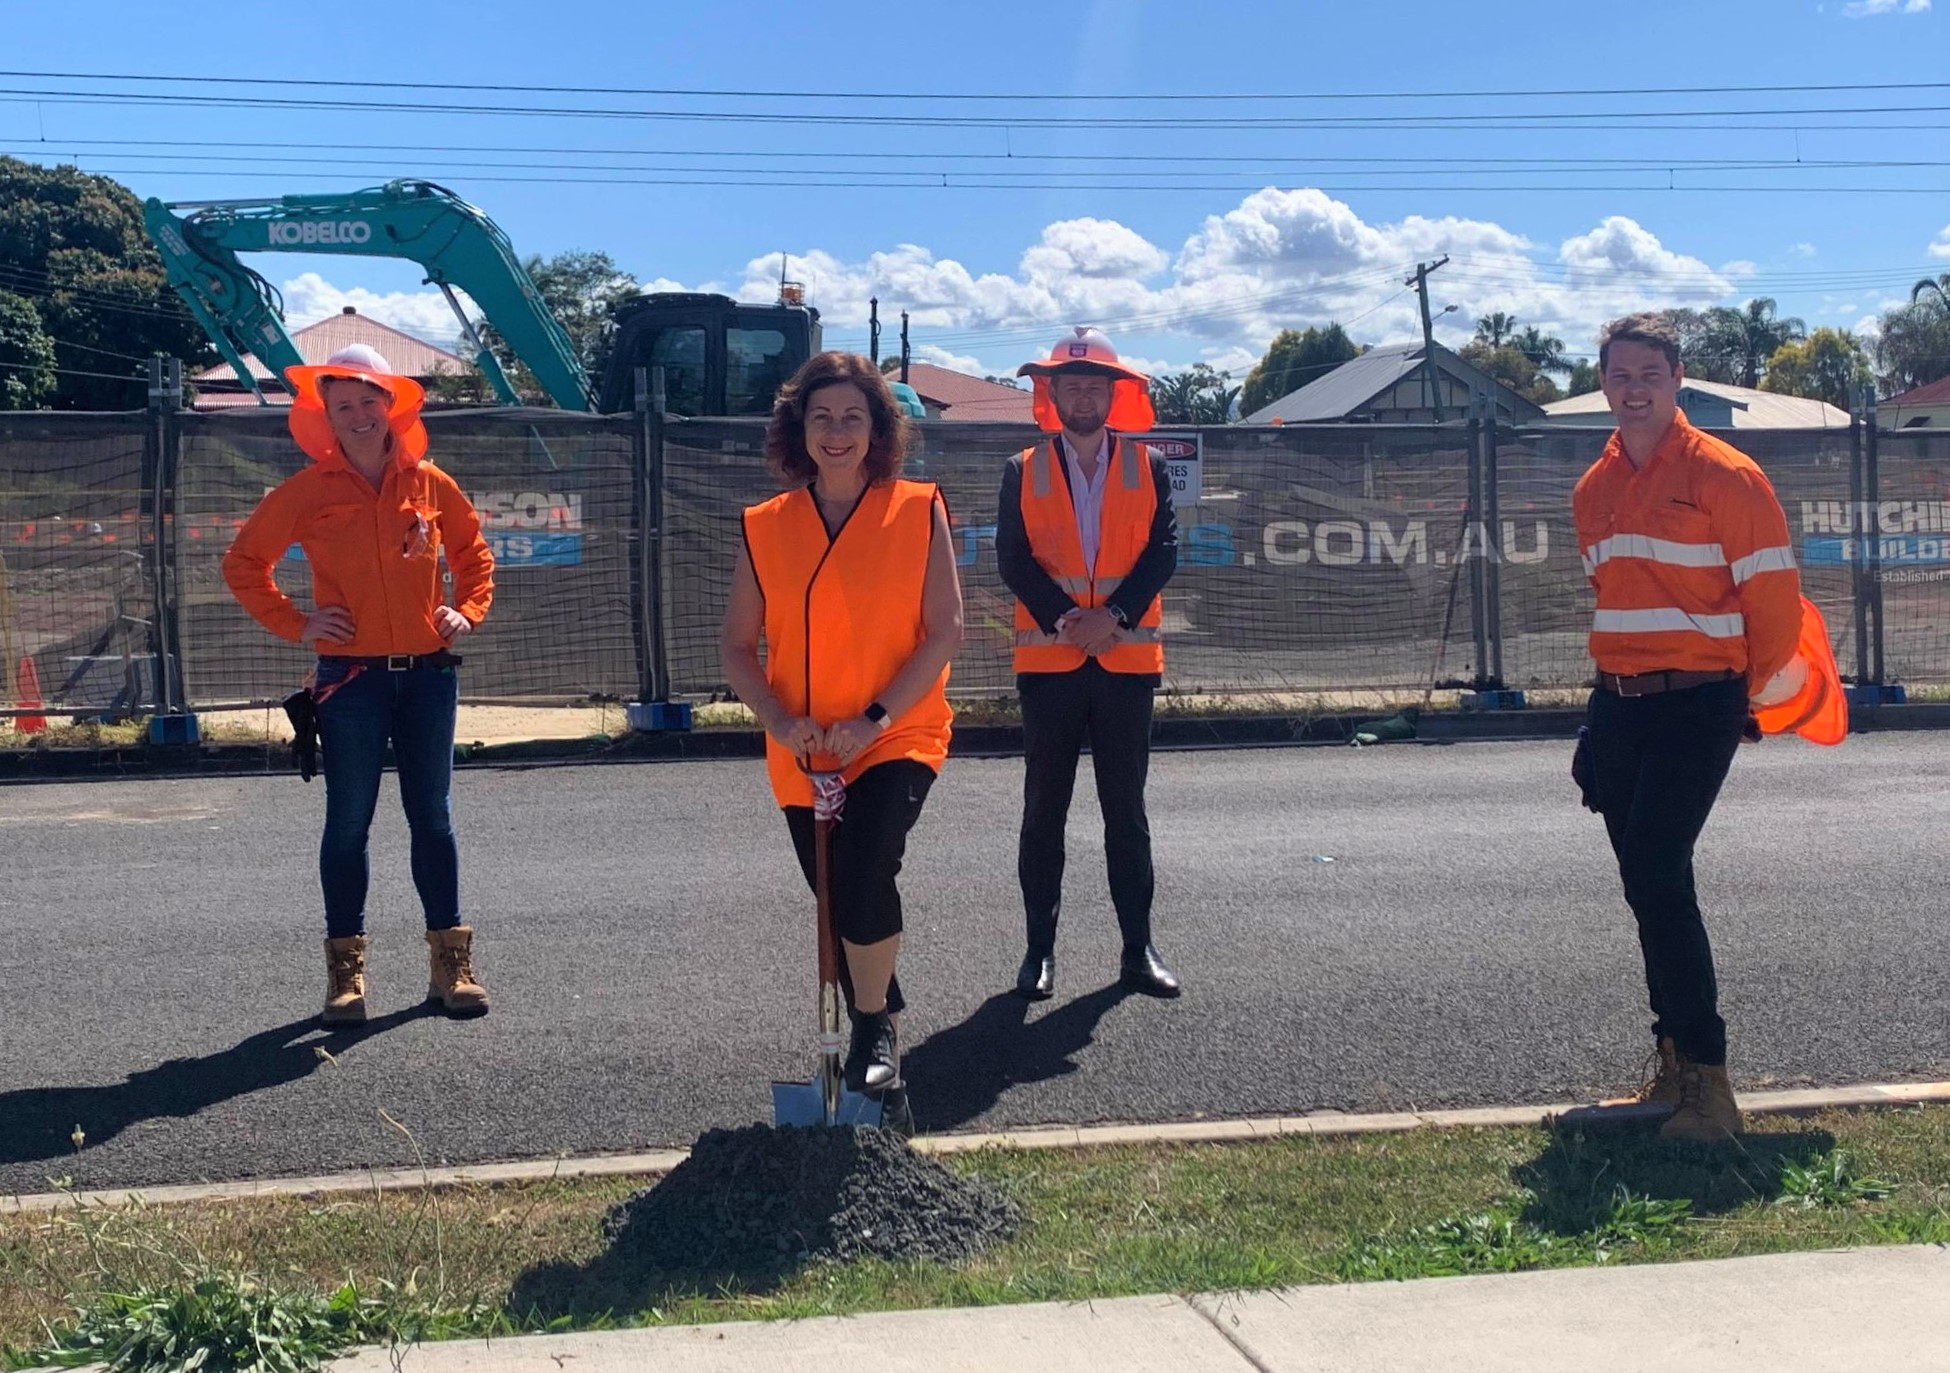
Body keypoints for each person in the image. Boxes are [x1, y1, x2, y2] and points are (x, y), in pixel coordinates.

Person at [1574, 312, 1805, 1142]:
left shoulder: (1726, 474)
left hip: (1701, 701)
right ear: (1603, 383)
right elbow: (1611, 596)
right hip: (1619, 703)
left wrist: (1747, 698)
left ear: (1677, 379)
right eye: (1620, 375)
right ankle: (1674, 1064)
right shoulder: (1593, 488)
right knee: (1648, 883)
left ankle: (1711, 1085)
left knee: (1656, 872)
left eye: (1650, 374)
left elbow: (1774, 603)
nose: (1633, 389)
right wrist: (1603, 710)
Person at [222, 345, 495, 1026]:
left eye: (369, 400)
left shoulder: (431, 483)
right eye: (343, 404)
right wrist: (299, 623)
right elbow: (244, 563)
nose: (358, 414)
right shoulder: (306, 491)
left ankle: (451, 966)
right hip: (350, 682)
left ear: (391, 405)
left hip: (429, 678)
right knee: (348, 823)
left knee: (433, 818)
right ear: (326, 415)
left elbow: (474, 554)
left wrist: (467, 611)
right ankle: (345, 976)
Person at [721, 352, 962, 1097]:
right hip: (804, 746)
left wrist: (872, 720)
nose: (837, 430)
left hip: (895, 733)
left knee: (864, 866)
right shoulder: (765, 525)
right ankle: (876, 1003)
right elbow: (737, 647)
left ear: (878, 429)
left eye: (853, 416)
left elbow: (946, 631)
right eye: (821, 415)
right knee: (836, 895)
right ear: (798, 427)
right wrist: (779, 720)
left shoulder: (917, 509)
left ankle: (873, 1025)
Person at [998, 327, 1180, 1002]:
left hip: (1125, 666)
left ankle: (1138, 949)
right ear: (1051, 394)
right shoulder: (1021, 468)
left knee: (1125, 814)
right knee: (1043, 812)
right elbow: (1013, 560)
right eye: (1070, 385)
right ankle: (1038, 952)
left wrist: (1115, 618)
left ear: (1113, 394)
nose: (1082, 396)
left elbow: (1163, 552)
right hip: (1051, 667)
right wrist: (1069, 621)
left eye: (1094, 386)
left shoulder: (1148, 465)